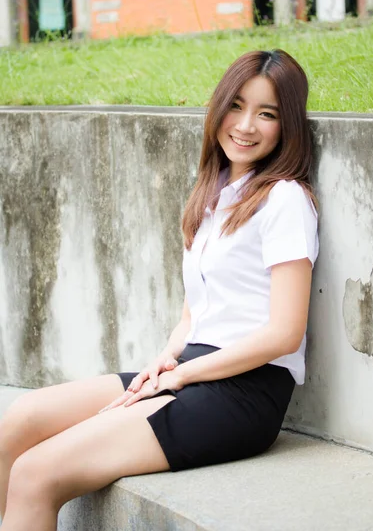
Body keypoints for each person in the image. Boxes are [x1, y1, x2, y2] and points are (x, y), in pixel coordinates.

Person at [0, 49, 318, 530]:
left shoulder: (285, 199)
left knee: (36, 473)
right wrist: (162, 362)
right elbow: (194, 315)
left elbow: (284, 334)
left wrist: (182, 377)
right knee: (19, 421)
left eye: (267, 113)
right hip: (193, 368)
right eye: (236, 105)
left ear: (287, 125)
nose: (246, 124)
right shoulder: (213, 197)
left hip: (245, 393)